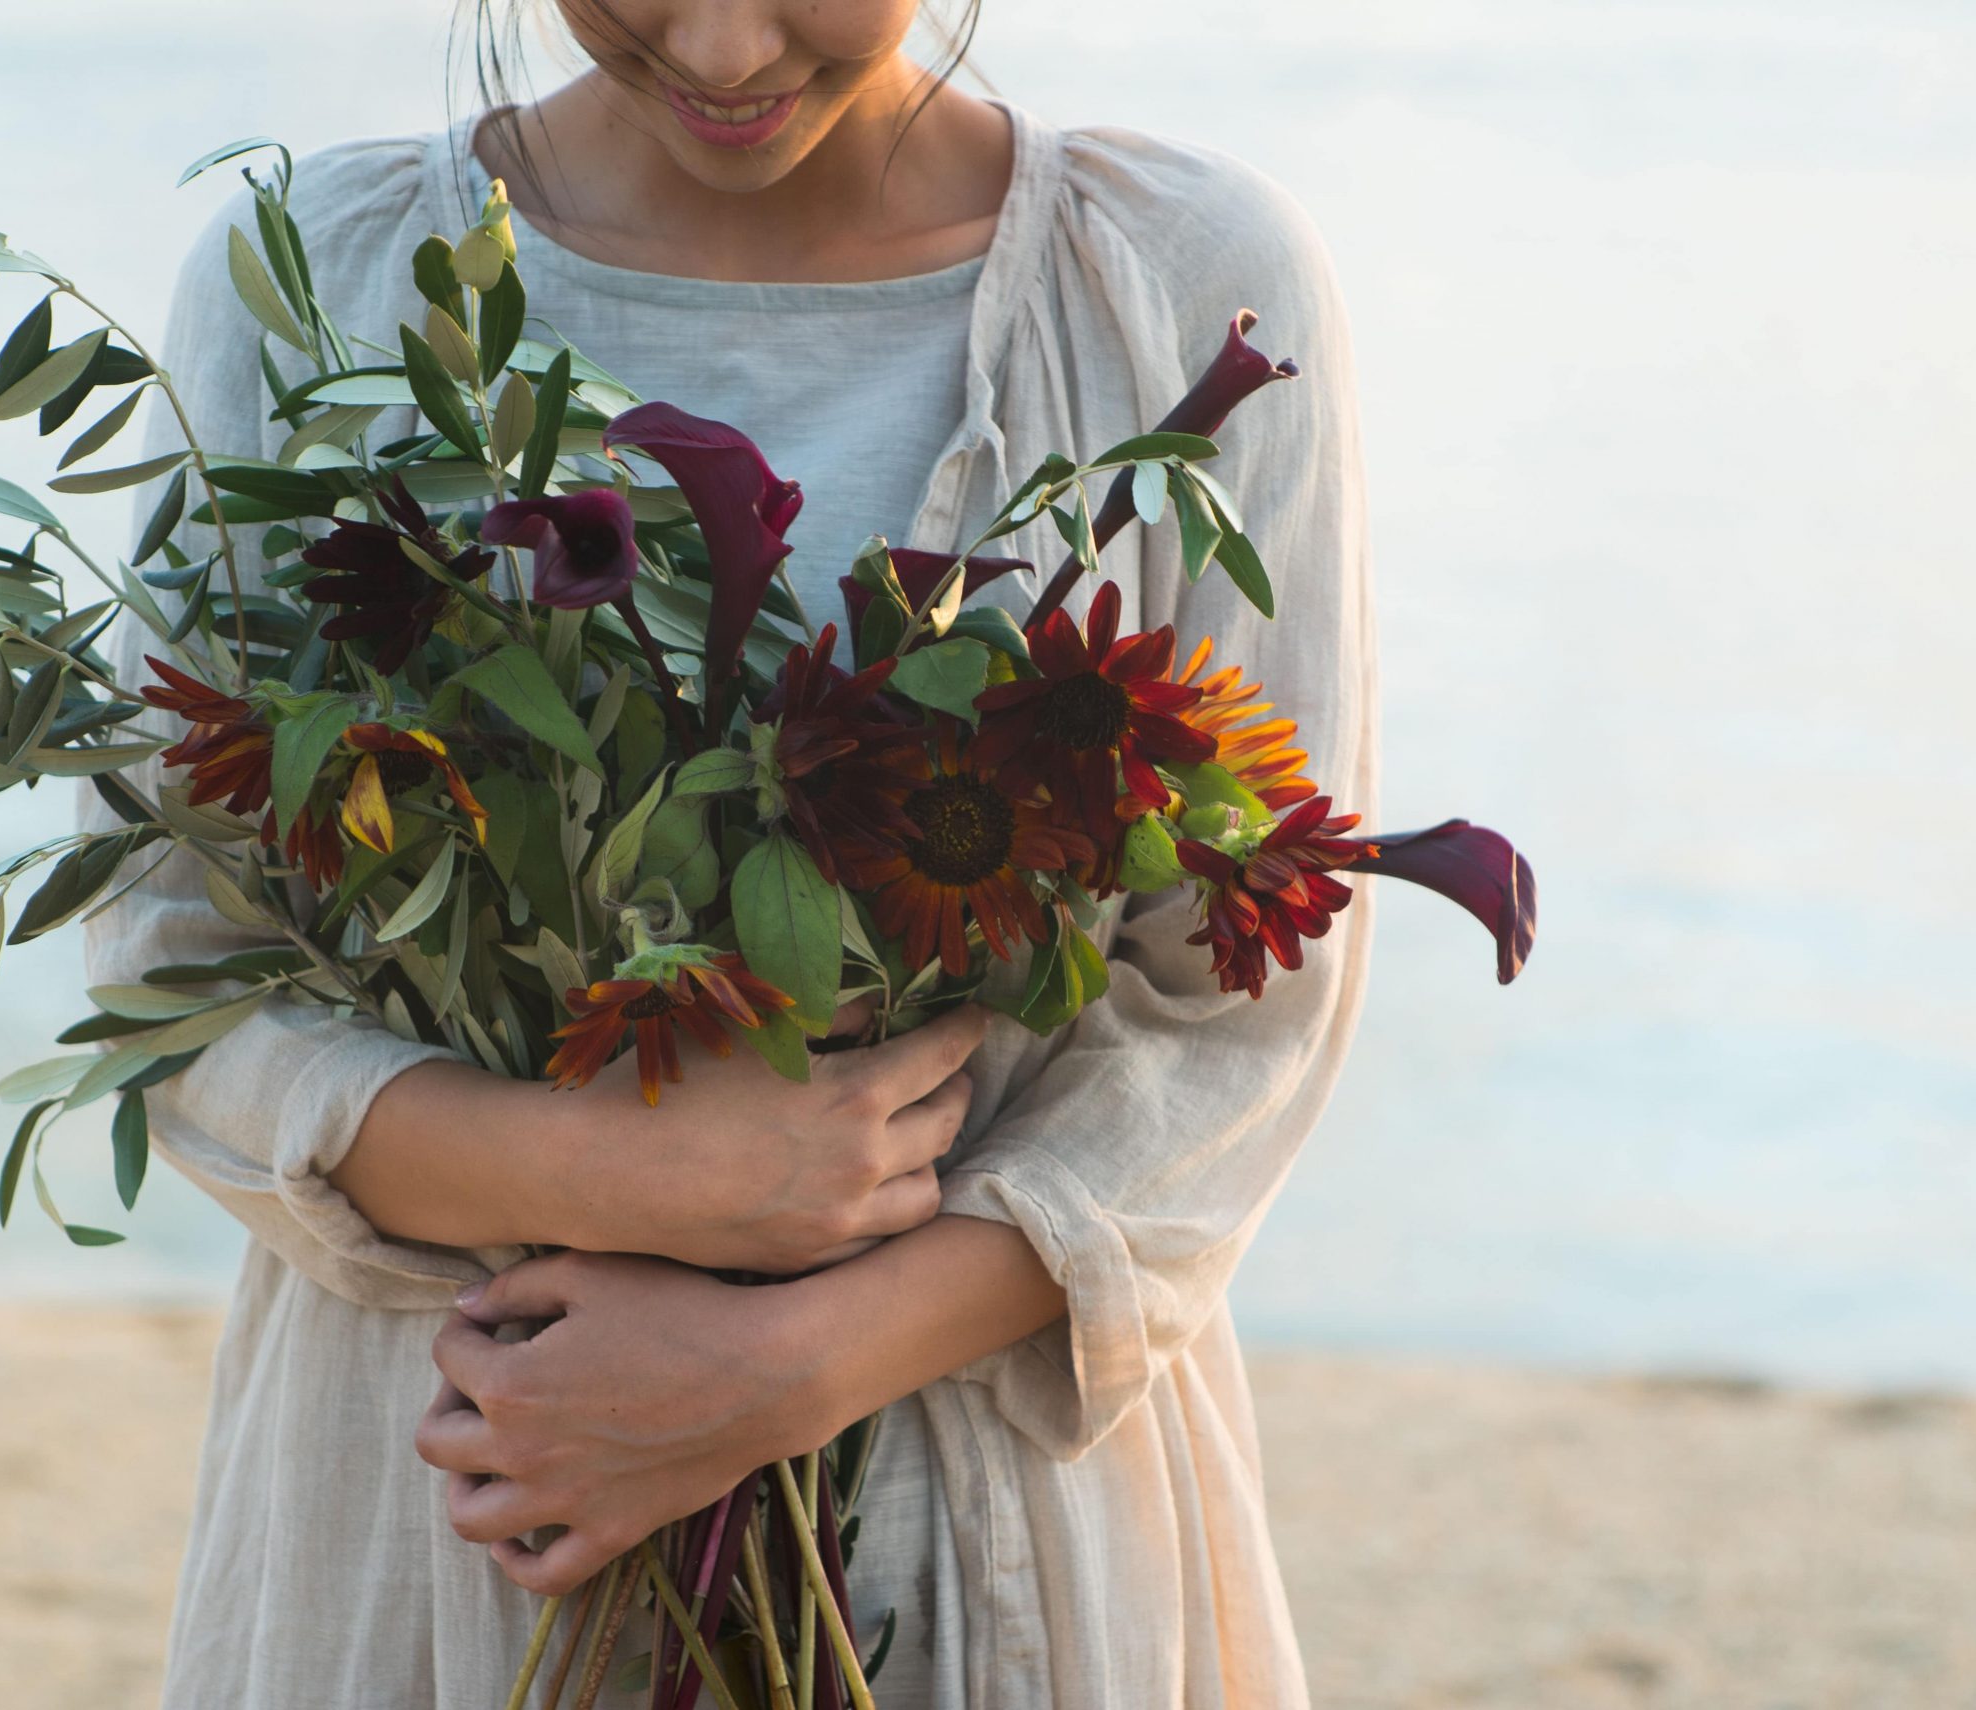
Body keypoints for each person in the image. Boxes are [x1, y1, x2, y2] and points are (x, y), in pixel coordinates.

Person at [79, 1, 1377, 1702]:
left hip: (988, 1536)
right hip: (460, 1499)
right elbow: (174, 961)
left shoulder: (1183, 282)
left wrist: (787, 1365)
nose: (717, 47)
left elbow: (1236, 1022)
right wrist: (626, 1173)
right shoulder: (314, 277)